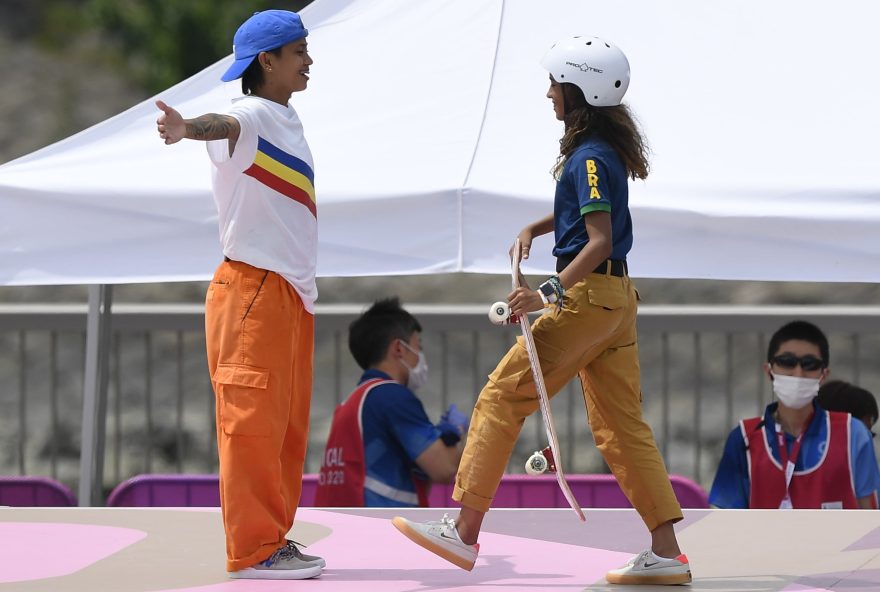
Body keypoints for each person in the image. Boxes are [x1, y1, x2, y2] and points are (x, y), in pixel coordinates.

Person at [392, 37, 692, 586]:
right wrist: (537, 228)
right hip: (615, 302)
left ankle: (462, 533)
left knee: (502, 397)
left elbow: (599, 239)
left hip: (588, 299)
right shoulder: (598, 152)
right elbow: (589, 220)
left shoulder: (590, 157)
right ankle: (667, 551)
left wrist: (549, 291)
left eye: (555, 83)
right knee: (622, 430)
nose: (548, 93)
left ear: (579, 89)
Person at [155, 10, 324, 580]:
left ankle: (271, 541)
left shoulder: (283, 116)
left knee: (284, 428)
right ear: (266, 61)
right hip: (254, 290)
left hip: (288, 295)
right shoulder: (250, 115)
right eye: (298, 50)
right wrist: (185, 130)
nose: (308, 60)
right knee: (252, 425)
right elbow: (221, 124)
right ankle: (252, 550)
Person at [709, 320, 880, 510]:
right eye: (786, 362)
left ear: (824, 374)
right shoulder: (743, 438)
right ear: (770, 370)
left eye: (810, 364)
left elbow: (871, 519)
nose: (798, 373)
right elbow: (726, 522)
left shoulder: (854, 434)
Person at [314, 298, 467, 507]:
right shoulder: (392, 397)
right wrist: (458, 433)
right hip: (382, 531)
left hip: (347, 529)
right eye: (418, 346)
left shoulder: (351, 402)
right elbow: (444, 469)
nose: (421, 357)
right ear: (399, 348)